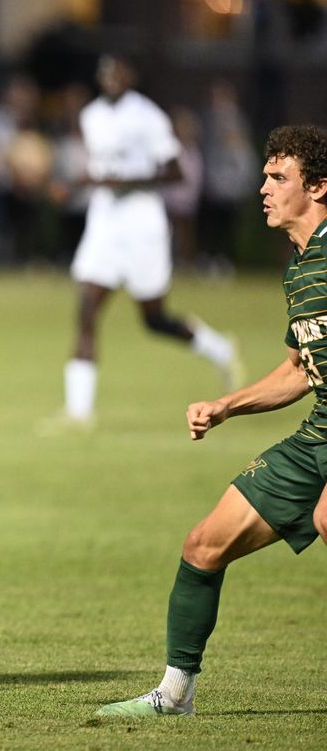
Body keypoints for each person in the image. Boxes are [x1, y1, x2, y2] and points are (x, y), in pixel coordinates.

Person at [97, 124, 327, 718]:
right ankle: (175, 696)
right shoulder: (301, 270)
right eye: (265, 175)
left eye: (280, 178)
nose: (263, 188)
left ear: (320, 186)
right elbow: (301, 370)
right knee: (204, 545)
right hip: (317, 437)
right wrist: (227, 405)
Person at [54, 53, 241, 430]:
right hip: (105, 221)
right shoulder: (92, 116)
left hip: (142, 222)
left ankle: (219, 349)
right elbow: (101, 169)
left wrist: (122, 182)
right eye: (104, 70)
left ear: (130, 74)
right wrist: (73, 183)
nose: (110, 77)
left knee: (153, 319)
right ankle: (78, 412)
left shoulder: (148, 116)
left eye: (117, 70)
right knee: (87, 307)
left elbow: (175, 171)